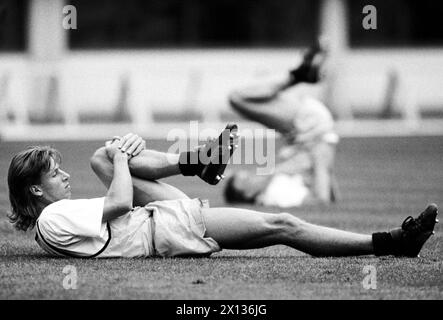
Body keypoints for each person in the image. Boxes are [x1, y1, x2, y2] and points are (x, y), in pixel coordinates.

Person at [6, 127, 438, 259]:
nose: (64, 176)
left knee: (101, 155)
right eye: (54, 173)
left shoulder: (50, 221)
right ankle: (393, 244)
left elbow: (117, 204)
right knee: (282, 224)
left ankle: (202, 161)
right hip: (166, 229)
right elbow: (119, 203)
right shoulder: (52, 218)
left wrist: (116, 155)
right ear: (34, 189)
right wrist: (124, 157)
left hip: (157, 219)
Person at [226, 40, 339, 208]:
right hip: (309, 124)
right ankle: (298, 75)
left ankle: (298, 75)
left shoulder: (275, 177)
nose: (249, 173)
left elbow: (330, 191)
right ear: (249, 193)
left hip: (304, 129)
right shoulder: (275, 194)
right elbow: (323, 197)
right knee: (236, 98)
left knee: (240, 98)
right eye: (245, 179)